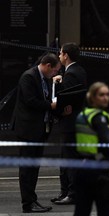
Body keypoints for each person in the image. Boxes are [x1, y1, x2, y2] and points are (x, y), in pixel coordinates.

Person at [12, 53, 61, 213]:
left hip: (38, 129)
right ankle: (28, 203)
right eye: (54, 70)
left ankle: (32, 200)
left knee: (34, 166)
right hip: (28, 129)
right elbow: (30, 101)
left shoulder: (43, 78)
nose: (54, 74)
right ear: (47, 65)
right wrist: (50, 106)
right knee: (27, 168)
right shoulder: (29, 77)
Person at [51, 42, 87, 205]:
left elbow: (68, 98)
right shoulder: (76, 71)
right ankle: (66, 191)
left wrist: (57, 110)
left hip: (70, 122)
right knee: (66, 158)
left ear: (66, 55)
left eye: (60, 53)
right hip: (75, 122)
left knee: (69, 158)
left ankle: (72, 193)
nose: (59, 56)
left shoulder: (71, 73)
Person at [74, 82, 109, 216]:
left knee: (81, 211)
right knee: (105, 211)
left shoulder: (82, 115)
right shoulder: (100, 117)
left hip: (82, 168)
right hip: (99, 169)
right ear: (92, 97)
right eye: (101, 95)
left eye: (107, 94)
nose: (105, 98)